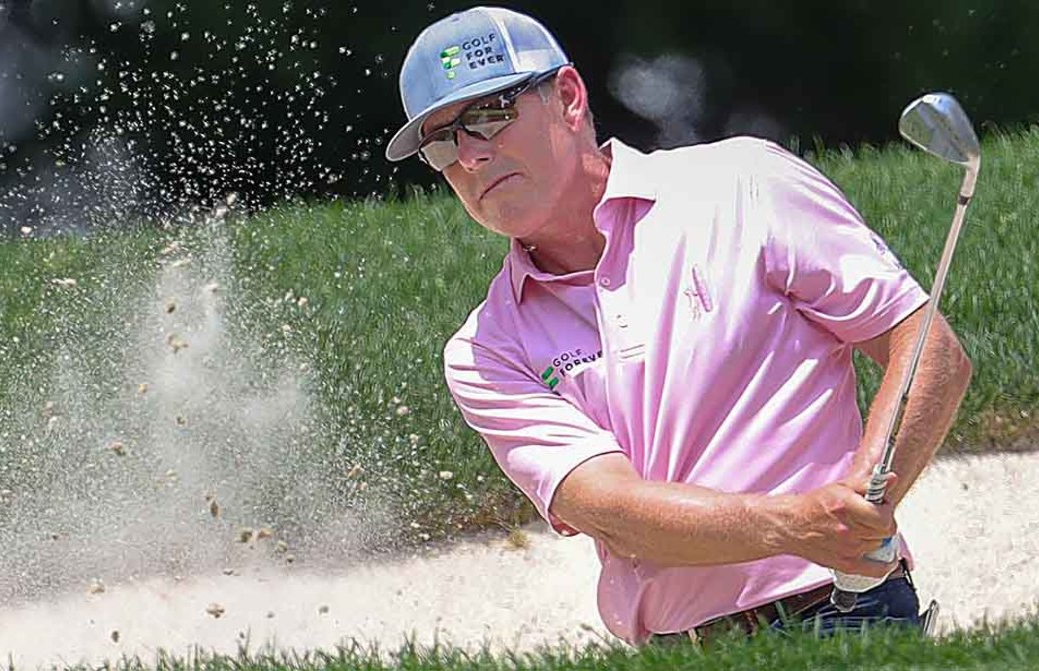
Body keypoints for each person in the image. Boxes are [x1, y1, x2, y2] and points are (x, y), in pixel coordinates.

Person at [384, 6, 972, 646]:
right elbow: (612, 510)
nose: (469, 155)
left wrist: (864, 502)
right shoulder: (485, 351)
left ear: (569, 98)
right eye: (442, 141)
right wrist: (797, 524)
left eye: (489, 114)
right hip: (678, 652)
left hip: (847, 609)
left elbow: (926, 347)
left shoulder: (746, 184)